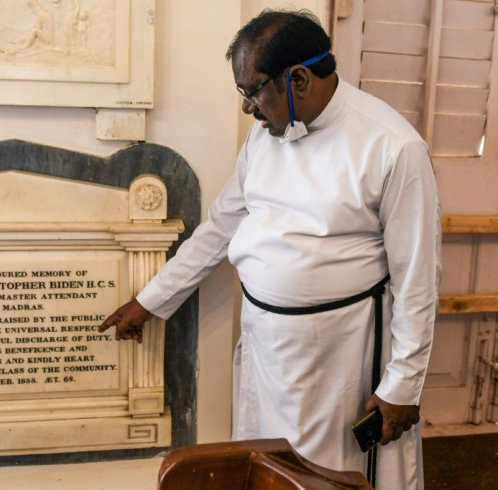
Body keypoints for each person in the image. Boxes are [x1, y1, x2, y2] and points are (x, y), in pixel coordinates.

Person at [98, 9, 440, 490]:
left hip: (340, 355)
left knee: (330, 477)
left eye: (252, 91)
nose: (247, 109)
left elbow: (417, 280)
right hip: (264, 348)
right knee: (266, 471)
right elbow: (220, 227)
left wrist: (403, 385)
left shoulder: (393, 148)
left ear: (297, 79)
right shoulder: (265, 138)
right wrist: (152, 300)